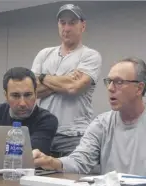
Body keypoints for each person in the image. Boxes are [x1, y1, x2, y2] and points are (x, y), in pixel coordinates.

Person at [32, 57, 146, 182]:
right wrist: (52, 162)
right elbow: (80, 161)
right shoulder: (102, 124)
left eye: (119, 82)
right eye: (109, 81)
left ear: (139, 88)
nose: (110, 88)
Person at [32, 4, 102, 157]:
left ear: (82, 26)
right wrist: (65, 80)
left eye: (72, 23)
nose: (66, 28)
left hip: (74, 136)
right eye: (62, 23)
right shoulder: (44, 54)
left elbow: (74, 88)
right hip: (44, 132)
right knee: (38, 178)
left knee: (71, 179)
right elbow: (32, 91)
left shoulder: (90, 56)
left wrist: (43, 77)